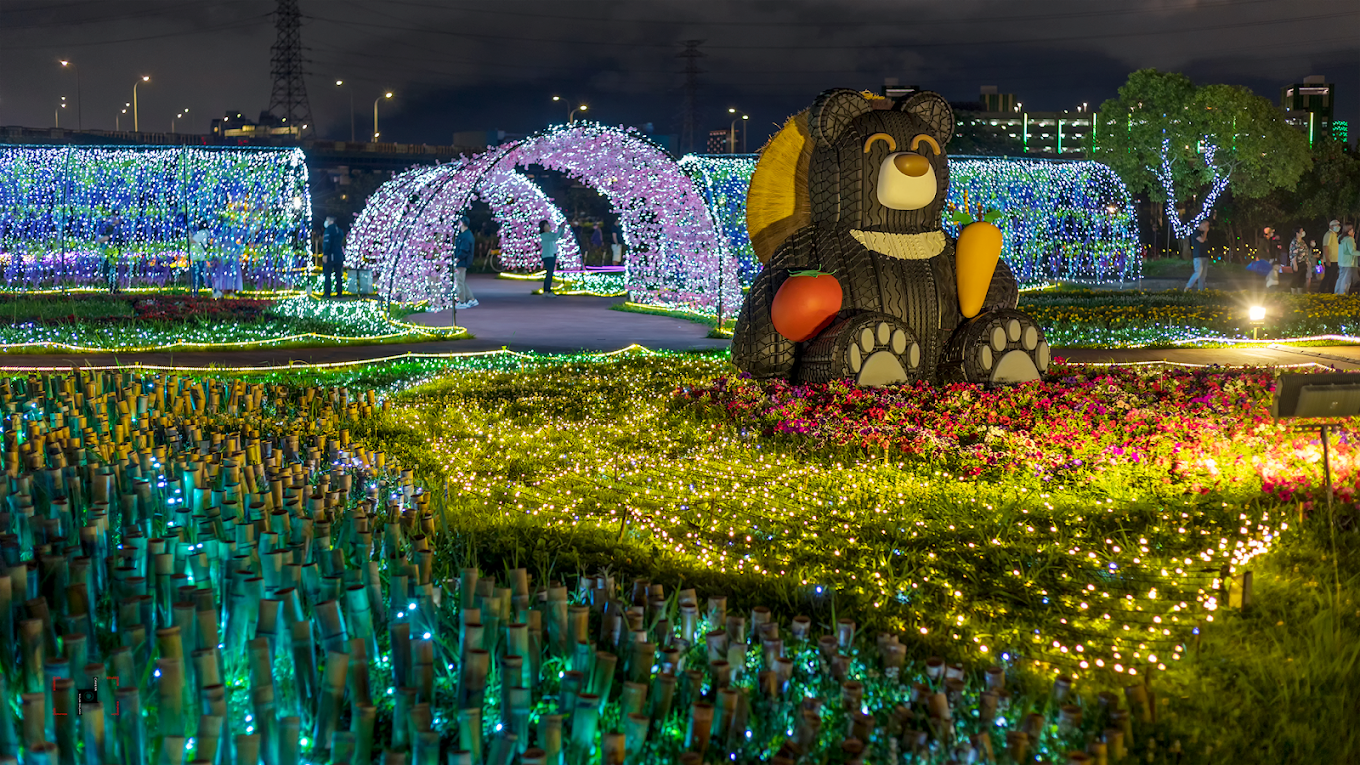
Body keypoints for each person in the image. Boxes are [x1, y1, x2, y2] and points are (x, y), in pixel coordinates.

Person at [539, 218, 569, 296]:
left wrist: (562, 229)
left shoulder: (550, 234)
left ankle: (547, 290)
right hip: (547, 256)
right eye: (546, 225)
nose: (548, 226)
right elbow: (555, 238)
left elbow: (559, 236)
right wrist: (560, 228)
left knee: (550, 273)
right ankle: (546, 291)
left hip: (552, 255)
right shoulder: (544, 235)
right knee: (549, 273)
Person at [452, 216, 477, 309]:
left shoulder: (466, 236)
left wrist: (457, 258)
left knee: (459, 282)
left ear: (462, 223)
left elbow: (464, 250)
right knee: (461, 281)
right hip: (463, 261)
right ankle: (471, 299)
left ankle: (462, 301)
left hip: (461, 262)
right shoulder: (466, 234)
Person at [97, 212, 123, 293]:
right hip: (110, 253)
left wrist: (98, 240)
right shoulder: (112, 228)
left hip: (112, 254)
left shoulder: (116, 229)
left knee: (109, 271)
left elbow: (106, 238)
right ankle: (113, 288)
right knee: (108, 271)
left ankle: (114, 288)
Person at [321, 215, 345, 298]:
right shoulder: (339, 230)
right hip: (339, 255)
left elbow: (327, 243)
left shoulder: (328, 230)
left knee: (328, 274)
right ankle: (339, 293)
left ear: (330, 220)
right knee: (338, 275)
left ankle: (327, 293)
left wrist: (325, 254)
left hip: (330, 255)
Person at [1184, 219, 1210, 291]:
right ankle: (1188, 287)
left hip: (1205, 255)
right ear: (1202, 224)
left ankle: (1201, 290)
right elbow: (1202, 240)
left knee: (1203, 275)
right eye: (1206, 225)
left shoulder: (1204, 233)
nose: (1207, 227)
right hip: (1198, 256)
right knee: (1198, 272)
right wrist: (1205, 232)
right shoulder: (1196, 232)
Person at [1288, 227, 1313, 294]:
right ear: (1297, 233)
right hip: (1297, 263)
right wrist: (1295, 264)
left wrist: (1306, 262)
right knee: (1296, 278)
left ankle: (1300, 294)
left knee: (1302, 279)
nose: (1303, 233)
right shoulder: (1294, 242)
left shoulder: (1302, 242)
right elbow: (1293, 254)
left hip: (1303, 263)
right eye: (1301, 231)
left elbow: (1306, 252)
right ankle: (1293, 294)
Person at [1320, 220, 1341, 293]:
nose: (1338, 227)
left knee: (1333, 278)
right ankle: (1320, 291)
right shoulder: (1328, 234)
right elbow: (1325, 247)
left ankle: (1331, 292)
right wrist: (1327, 259)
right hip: (1330, 260)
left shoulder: (1335, 235)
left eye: (1338, 225)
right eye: (1336, 225)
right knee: (1328, 277)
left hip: (1335, 260)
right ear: (1331, 226)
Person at [1337, 223, 1357, 295]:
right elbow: (1352, 252)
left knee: (1340, 278)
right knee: (1346, 280)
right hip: (1347, 262)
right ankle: (1343, 294)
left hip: (1341, 261)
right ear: (1350, 230)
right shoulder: (1350, 239)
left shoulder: (1340, 237)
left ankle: (1337, 293)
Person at [190, 222, 210, 296]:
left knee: (197, 276)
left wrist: (189, 234)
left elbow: (192, 241)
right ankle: (213, 289)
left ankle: (196, 293)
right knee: (201, 275)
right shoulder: (206, 233)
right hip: (200, 257)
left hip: (197, 258)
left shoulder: (202, 233)